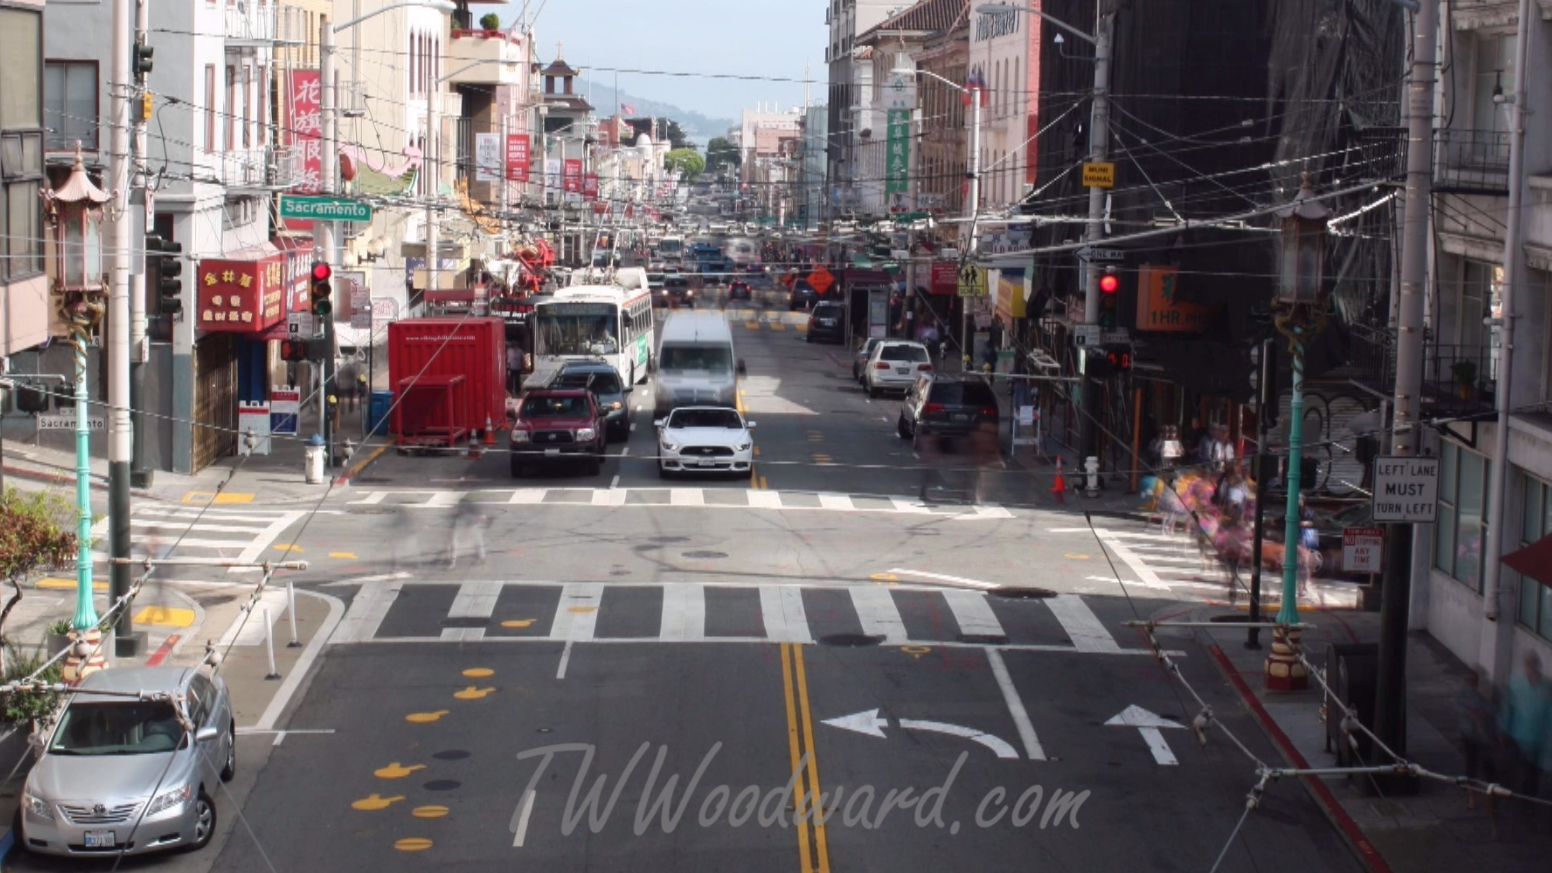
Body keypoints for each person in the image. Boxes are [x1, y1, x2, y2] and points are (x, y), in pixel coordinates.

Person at [1499, 652, 1552, 803]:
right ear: (1525, 667)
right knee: (1523, 769)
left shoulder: (1547, 686)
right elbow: (1507, 708)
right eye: (1530, 667)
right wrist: (1503, 729)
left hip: (1538, 738)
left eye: (1535, 667)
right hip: (1519, 736)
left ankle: (1528, 799)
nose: (1533, 670)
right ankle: (1522, 798)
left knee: (1534, 771)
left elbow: (1550, 709)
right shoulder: (1514, 684)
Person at [1457, 667, 1501, 821]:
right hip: (1470, 734)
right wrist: (1470, 714)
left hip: (1485, 735)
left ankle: (1490, 797)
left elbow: (1497, 708)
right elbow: (1459, 707)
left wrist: (1483, 713)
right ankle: (1472, 796)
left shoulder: (1490, 690)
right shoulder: (1466, 692)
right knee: (1471, 765)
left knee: (1487, 766)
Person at [448, 496, 490, 569]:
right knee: (455, 542)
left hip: (470, 525)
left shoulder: (470, 506)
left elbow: (482, 517)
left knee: (477, 541)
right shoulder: (467, 506)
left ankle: (482, 559)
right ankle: (481, 559)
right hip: (464, 525)